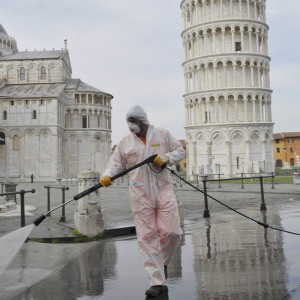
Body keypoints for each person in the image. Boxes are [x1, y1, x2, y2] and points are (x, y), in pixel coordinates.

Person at [99, 105, 185, 298]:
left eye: (134, 122)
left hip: (163, 188)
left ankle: (161, 262)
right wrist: (107, 175)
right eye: (128, 122)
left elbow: (180, 151)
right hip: (140, 192)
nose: (131, 126)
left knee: (172, 232)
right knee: (147, 236)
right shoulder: (126, 142)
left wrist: (166, 158)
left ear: (143, 121)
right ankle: (156, 281)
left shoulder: (162, 134)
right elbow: (115, 164)